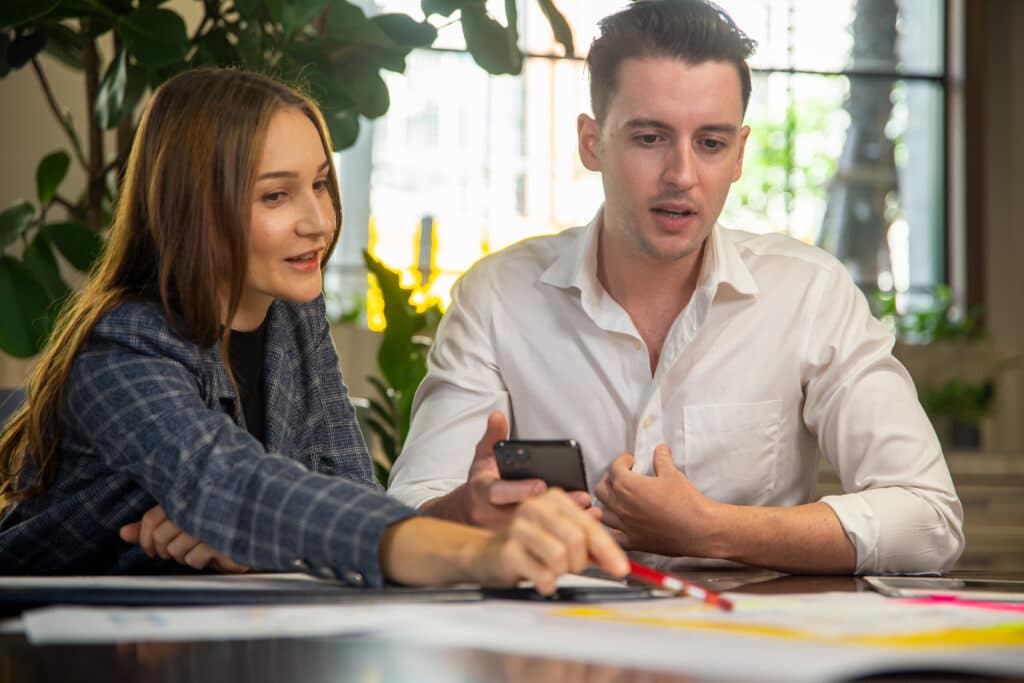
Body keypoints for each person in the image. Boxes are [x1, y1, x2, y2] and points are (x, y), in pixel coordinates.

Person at [388, 0, 964, 575]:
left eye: (710, 143)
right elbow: (403, 516)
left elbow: (929, 519)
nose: (682, 175)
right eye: (649, 138)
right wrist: (465, 511)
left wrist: (712, 528)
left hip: (749, 648)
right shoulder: (495, 298)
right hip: (555, 646)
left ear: (739, 153)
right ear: (592, 143)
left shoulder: (809, 295)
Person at [0, 68, 628, 592]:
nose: (319, 221)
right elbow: (232, 485)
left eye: (322, 185)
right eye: (276, 197)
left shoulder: (291, 319)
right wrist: (474, 557)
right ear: (195, 206)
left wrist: (250, 541)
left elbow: (346, 489)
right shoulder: (122, 350)